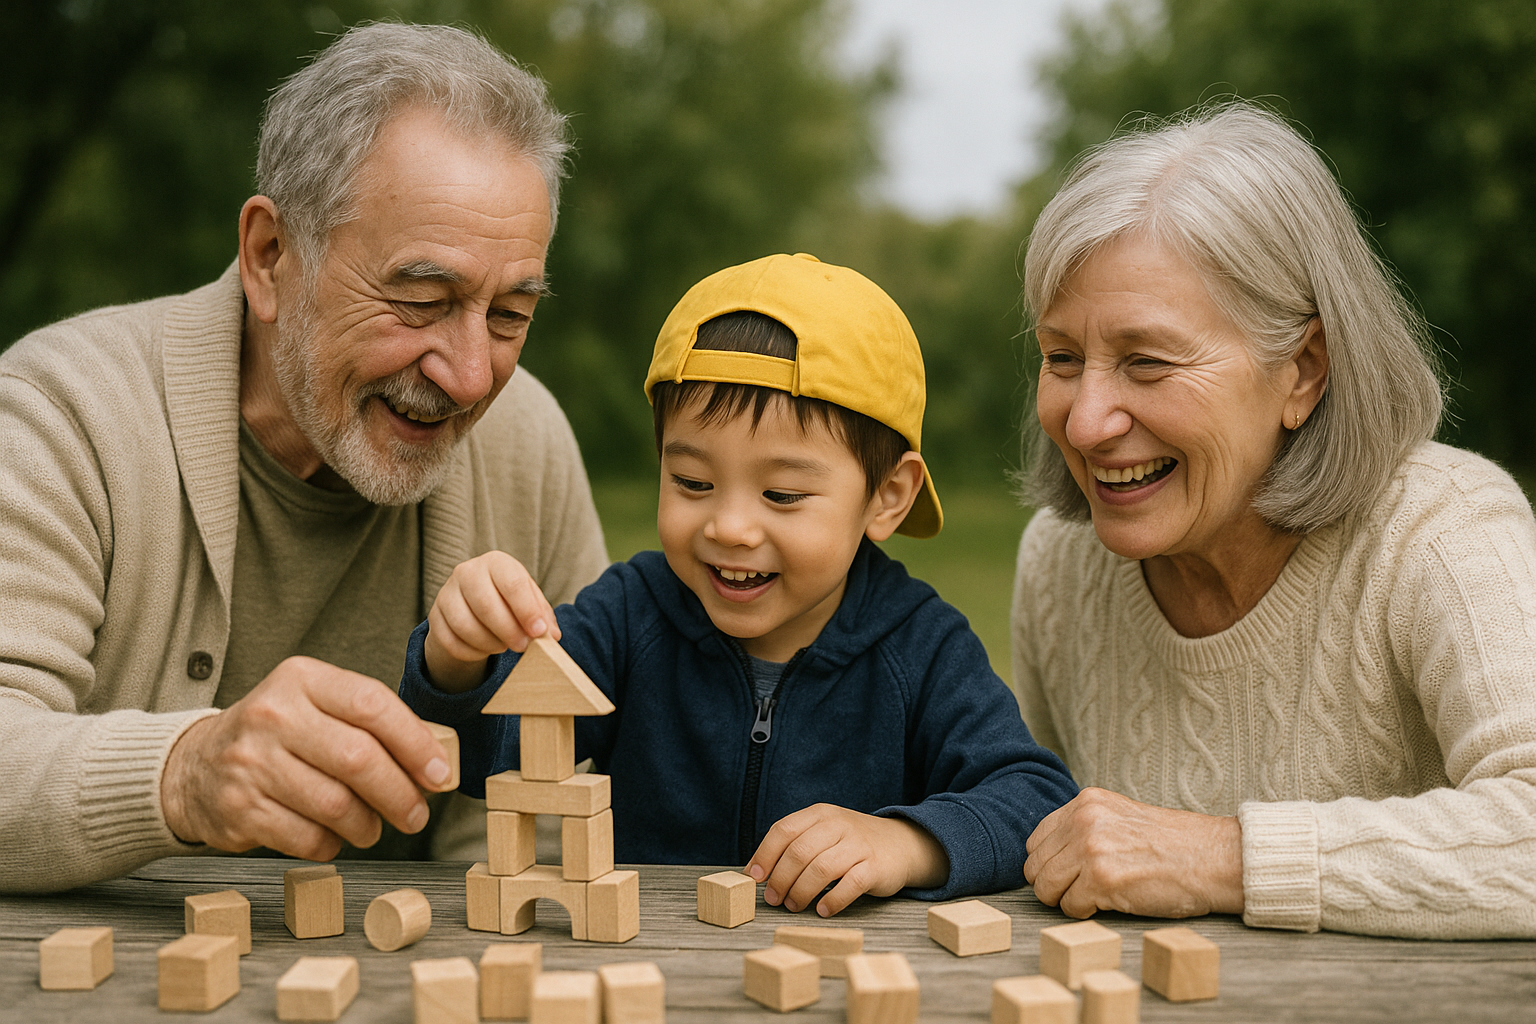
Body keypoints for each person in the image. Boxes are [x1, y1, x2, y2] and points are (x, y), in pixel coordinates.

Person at [0, 23, 608, 893]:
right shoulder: (60, 415)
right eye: (421, 299)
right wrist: (183, 773)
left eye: (510, 314)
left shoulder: (530, 447)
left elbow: (568, 805)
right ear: (270, 258)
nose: (473, 375)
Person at [402, 253, 1078, 916]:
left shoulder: (922, 647)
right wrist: (459, 660)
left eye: (782, 494)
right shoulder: (631, 615)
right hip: (655, 967)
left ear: (887, 497)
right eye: (692, 482)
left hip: (838, 979)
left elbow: (1031, 797)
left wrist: (904, 843)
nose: (728, 527)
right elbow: (492, 761)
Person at [1011, 101, 1536, 939]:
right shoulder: (1061, 560)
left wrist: (1224, 859)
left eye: (1146, 362)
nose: (1084, 422)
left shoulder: (1443, 533)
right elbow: (1035, 826)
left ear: (1302, 373)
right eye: (1063, 359)